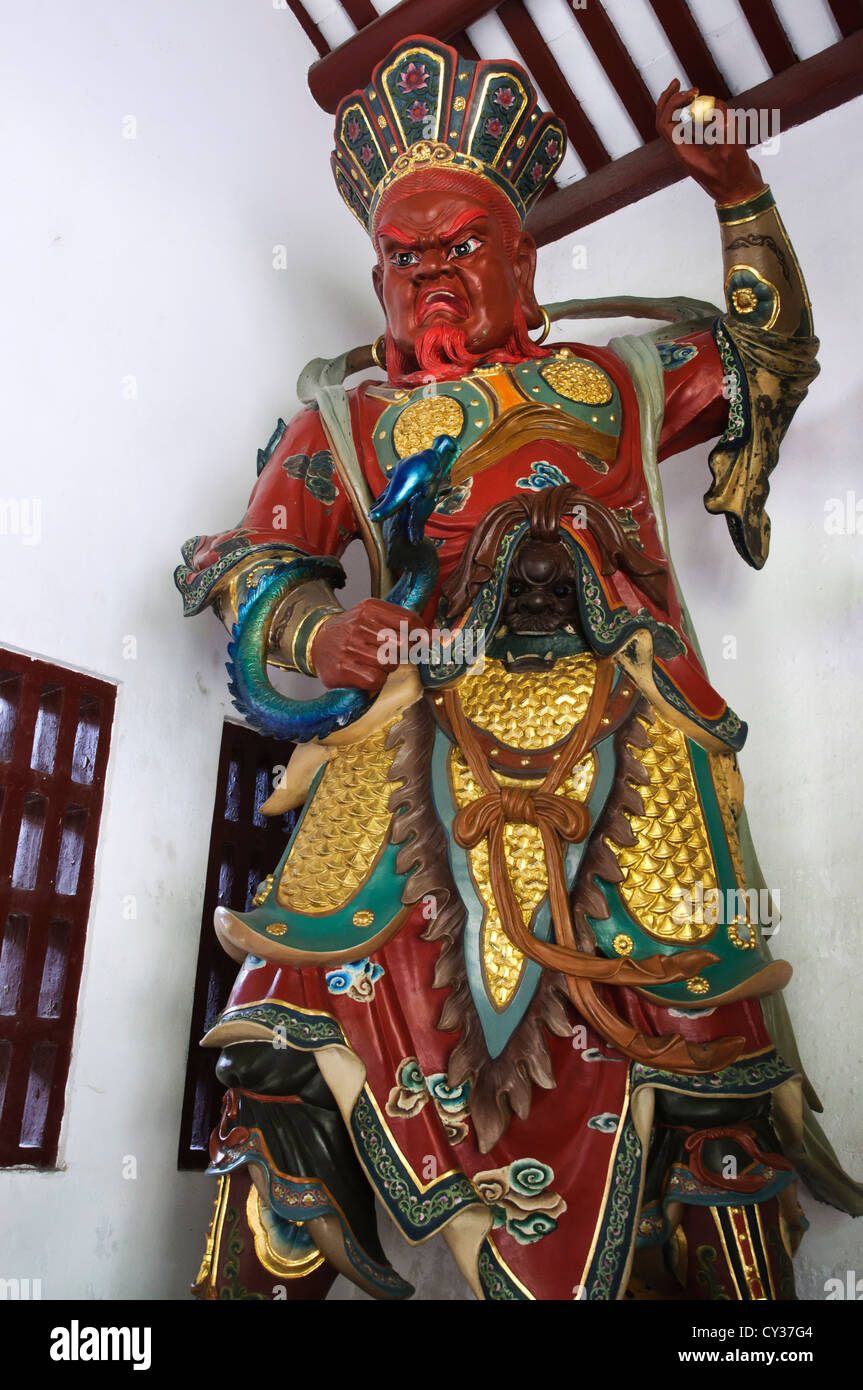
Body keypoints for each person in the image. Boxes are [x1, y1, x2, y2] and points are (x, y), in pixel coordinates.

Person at [176, 37, 859, 1301]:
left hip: (631, 734)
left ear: (521, 258)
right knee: (278, 1053)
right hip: (404, 747)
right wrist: (322, 635)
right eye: (404, 256)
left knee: (707, 1063)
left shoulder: (612, 377)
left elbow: (770, 367)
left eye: (459, 248)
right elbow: (255, 566)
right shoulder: (351, 418)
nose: (430, 273)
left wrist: (736, 195)